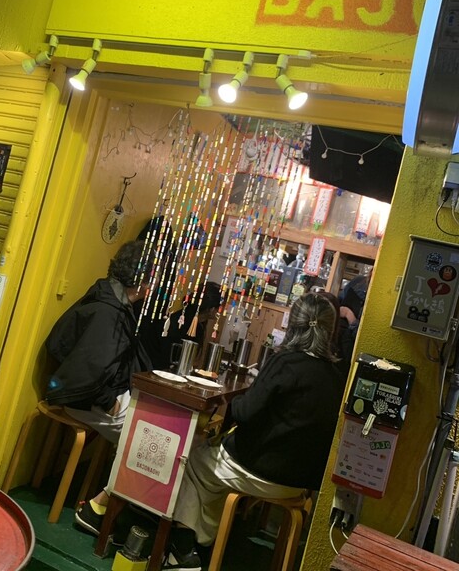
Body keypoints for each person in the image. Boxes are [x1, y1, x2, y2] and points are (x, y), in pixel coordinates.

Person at [163, 292, 345, 570]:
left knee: (195, 459)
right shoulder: (336, 376)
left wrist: (234, 401)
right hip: (301, 483)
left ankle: (184, 549)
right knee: (214, 466)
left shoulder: (285, 362)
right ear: (330, 330)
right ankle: (202, 541)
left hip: (261, 472)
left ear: (292, 325)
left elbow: (245, 413)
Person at [45, 240, 153, 444]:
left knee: (155, 421)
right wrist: (109, 403)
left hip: (90, 392)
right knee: (151, 438)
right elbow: (88, 370)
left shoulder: (107, 293)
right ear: (143, 282)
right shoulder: (109, 312)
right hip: (84, 398)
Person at [139, 281, 223, 371]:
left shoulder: (195, 323)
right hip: (152, 369)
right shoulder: (180, 322)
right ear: (211, 309)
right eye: (221, 308)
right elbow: (165, 357)